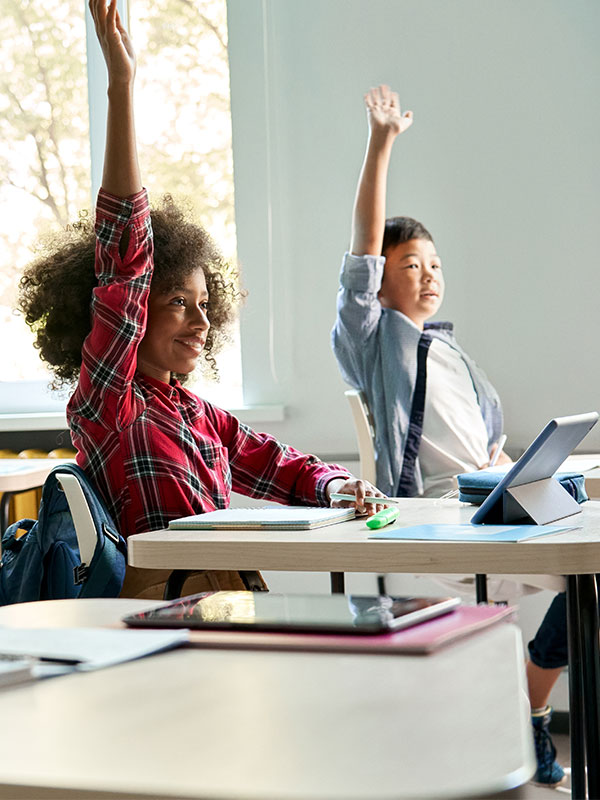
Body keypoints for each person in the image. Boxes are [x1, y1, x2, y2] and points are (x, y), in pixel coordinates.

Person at [17, 0, 384, 599]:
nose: (201, 319)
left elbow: (280, 464)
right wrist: (121, 87)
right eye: (179, 302)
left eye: (206, 304)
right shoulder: (110, 405)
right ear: (137, 314)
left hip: (229, 600)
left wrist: (336, 487)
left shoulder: (197, 413)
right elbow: (127, 260)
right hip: (170, 614)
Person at [331, 84, 565, 787]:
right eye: (411, 267)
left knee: (591, 580)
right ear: (382, 285)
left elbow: (488, 444)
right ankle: (519, 724)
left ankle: (526, 712)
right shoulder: (375, 341)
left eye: (435, 266)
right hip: (440, 516)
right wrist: (382, 144)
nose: (428, 277)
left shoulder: (455, 355)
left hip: (491, 504)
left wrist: (519, 469)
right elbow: (362, 255)